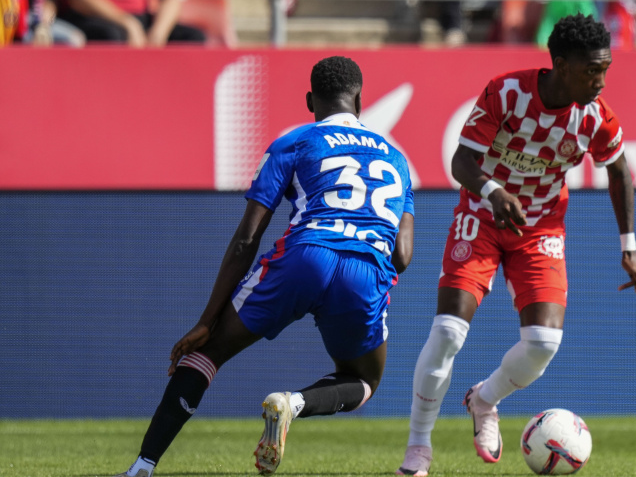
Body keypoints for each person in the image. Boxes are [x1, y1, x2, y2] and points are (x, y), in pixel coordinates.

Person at [113, 56, 415, 477]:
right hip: (364, 270)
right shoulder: (397, 160)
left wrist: (208, 319)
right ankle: (294, 404)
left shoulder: (294, 142)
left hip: (305, 256)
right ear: (360, 101)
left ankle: (142, 466)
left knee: (209, 352)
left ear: (311, 100)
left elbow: (247, 238)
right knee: (365, 381)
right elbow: (402, 255)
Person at [396, 13, 636, 477]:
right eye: (590, 70)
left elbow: (618, 170)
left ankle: (484, 400)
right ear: (558, 63)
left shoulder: (595, 117)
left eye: (605, 69)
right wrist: (494, 192)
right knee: (449, 332)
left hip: (540, 229)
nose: (599, 81)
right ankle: (418, 449)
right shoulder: (507, 93)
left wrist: (628, 247)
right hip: (482, 215)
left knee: (543, 341)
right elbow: (462, 161)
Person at [57, 0, 204, 47]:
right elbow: (79, 2)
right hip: (94, 16)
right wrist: (127, 23)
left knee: (192, 38)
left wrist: (159, 32)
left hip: (141, 19)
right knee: (111, 36)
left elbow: (172, 2)